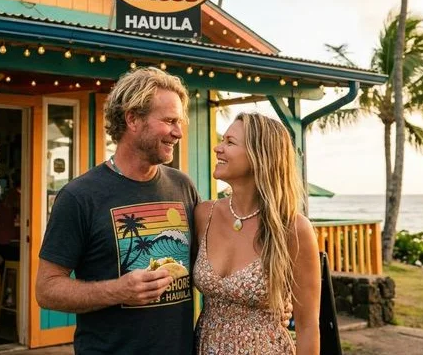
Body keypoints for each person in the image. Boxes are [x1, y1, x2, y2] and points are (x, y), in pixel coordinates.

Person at [36, 67, 200, 354]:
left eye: (180, 122)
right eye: (169, 121)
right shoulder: (79, 196)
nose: (178, 132)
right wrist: (118, 290)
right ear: (133, 119)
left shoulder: (182, 186)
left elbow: (208, 265)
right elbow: (46, 289)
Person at [193, 112, 320, 355]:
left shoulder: (293, 229)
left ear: (260, 155)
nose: (217, 148)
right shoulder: (203, 215)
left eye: (230, 142)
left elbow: (307, 327)